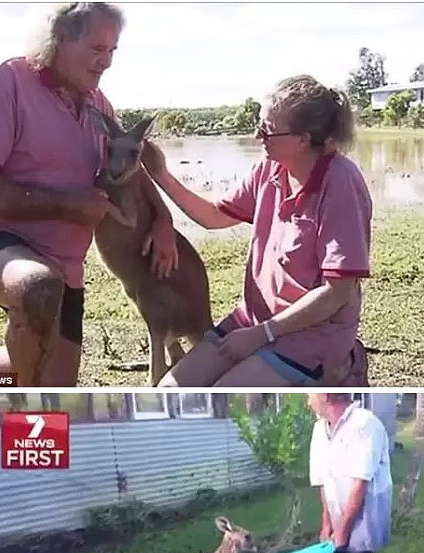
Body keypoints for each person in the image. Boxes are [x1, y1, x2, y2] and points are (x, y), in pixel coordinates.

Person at [0, 2, 177, 387]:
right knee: (38, 287)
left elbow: (132, 168)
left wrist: (164, 219)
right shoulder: (6, 82)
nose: (106, 62)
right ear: (58, 39)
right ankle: (25, 406)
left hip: (66, 266)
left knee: (55, 373)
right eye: (97, 49)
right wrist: (64, 204)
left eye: (112, 51)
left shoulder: (99, 104)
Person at [141, 74, 373, 387]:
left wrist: (262, 335)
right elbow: (214, 216)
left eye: (266, 130)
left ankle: (341, 368)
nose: (255, 135)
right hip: (253, 320)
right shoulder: (270, 168)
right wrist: (161, 175)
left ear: (303, 139)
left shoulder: (340, 182)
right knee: (172, 391)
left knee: (224, 399)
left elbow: (336, 293)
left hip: (310, 337)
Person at [304, 393, 393, 553]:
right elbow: (322, 479)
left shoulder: (365, 424)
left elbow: (360, 484)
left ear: (326, 396)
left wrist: (343, 530)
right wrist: (326, 521)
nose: (307, 400)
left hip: (365, 511)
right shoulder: (320, 428)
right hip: (335, 508)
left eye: (310, 395)